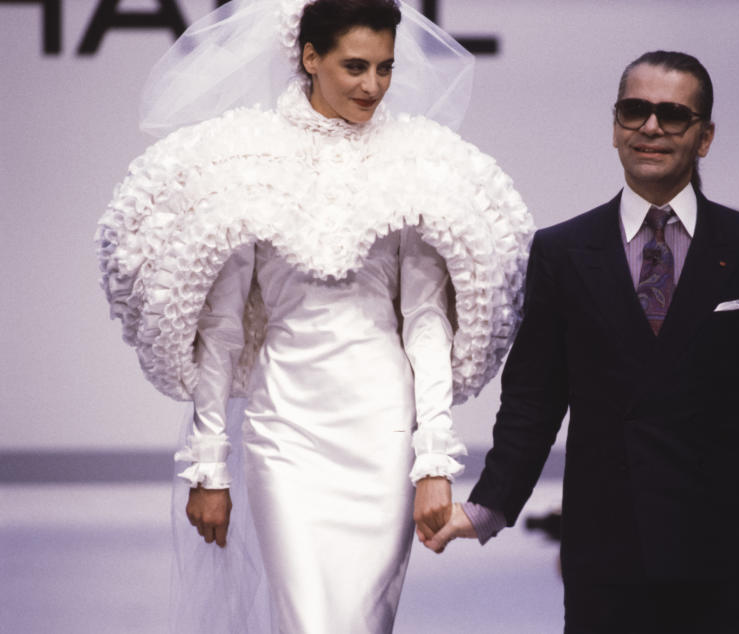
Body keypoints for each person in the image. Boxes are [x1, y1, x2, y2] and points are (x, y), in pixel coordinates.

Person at [95, 1, 532, 632]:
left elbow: (426, 321)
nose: (373, 85)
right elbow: (220, 329)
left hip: (382, 429)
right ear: (309, 58)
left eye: (384, 67)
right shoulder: (246, 161)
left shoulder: (415, 163)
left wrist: (433, 462)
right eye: (355, 66)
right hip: (284, 430)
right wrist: (209, 465)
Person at [424, 50, 739, 633]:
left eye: (672, 115)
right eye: (635, 110)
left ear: (705, 136)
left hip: (728, 543)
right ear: (615, 126)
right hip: (609, 545)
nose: (651, 127)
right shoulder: (563, 251)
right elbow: (535, 399)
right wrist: (488, 507)